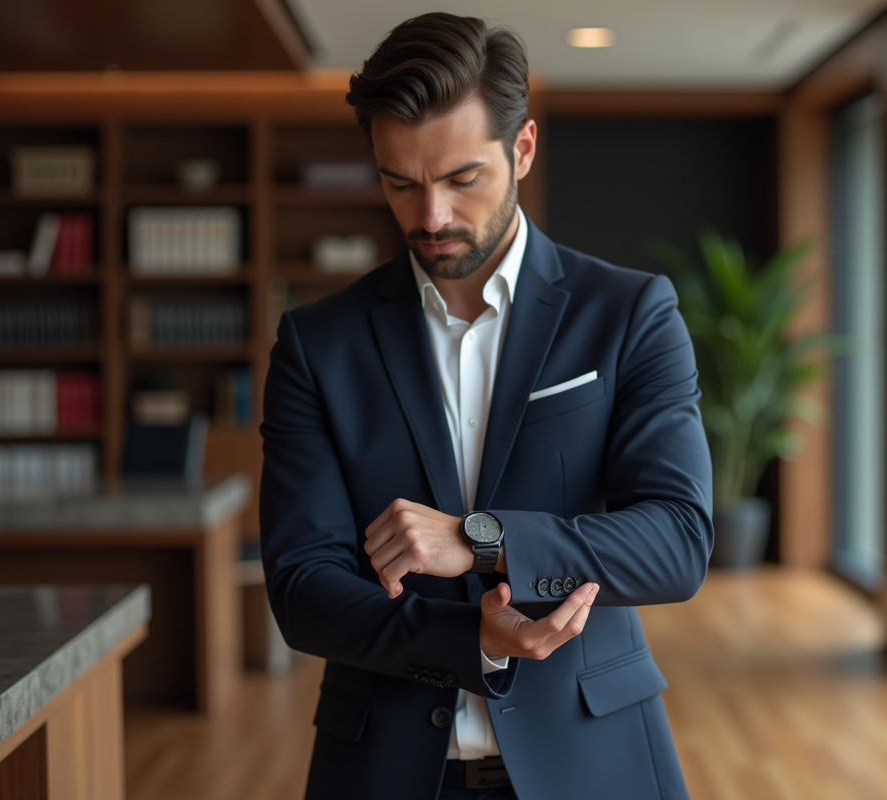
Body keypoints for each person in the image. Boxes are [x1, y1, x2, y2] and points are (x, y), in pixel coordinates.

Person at [260, 12, 713, 799]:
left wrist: (483, 542)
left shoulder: (630, 312)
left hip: (593, 760)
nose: (430, 216)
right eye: (400, 182)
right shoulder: (316, 343)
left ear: (523, 149)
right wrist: (467, 638)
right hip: (384, 772)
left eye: (462, 178)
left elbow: (676, 542)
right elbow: (302, 587)